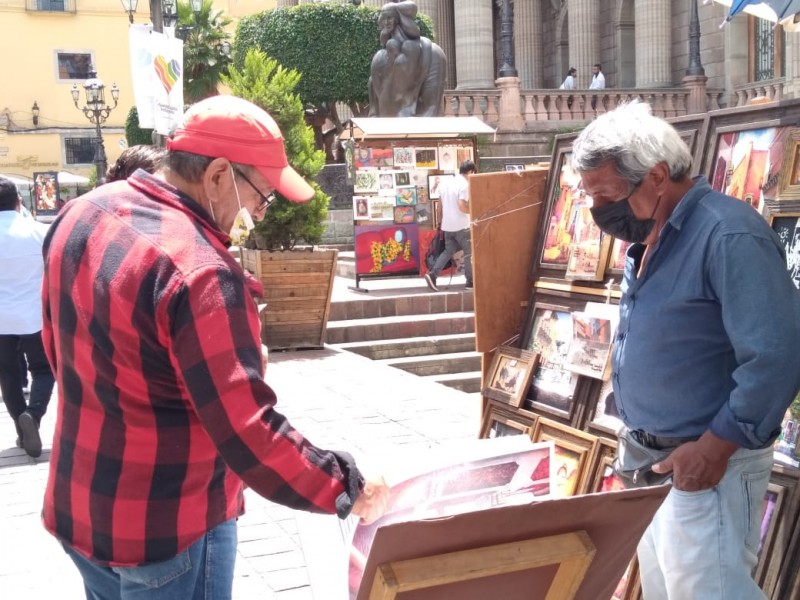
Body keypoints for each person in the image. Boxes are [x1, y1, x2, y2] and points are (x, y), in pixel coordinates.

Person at [41, 95, 390, 599]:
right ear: (219, 175)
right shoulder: (201, 272)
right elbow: (249, 432)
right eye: (261, 196)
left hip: (81, 505)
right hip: (166, 529)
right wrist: (345, 485)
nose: (259, 214)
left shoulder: (80, 213)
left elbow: (59, 351)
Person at [572, 101, 800, 600]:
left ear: (656, 176)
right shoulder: (652, 234)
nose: (600, 213)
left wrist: (712, 449)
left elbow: (777, 357)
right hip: (652, 463)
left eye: (608, 196)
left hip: (707, 464)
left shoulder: (726, 234)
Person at [0, 177, 55, 458]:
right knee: (44, 371)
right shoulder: (39, 231)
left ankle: (22, 431)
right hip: (35, 316)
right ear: (18, 201)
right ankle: (33, 416)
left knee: (8, 375)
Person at [424, 160, 475, 291]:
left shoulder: (446, 183)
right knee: (469, 253)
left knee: (448, 251)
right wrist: (474, 210)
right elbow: (462, 206)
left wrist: (440, 222)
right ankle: (470, 282)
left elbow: (439, 207)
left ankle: (433, 275)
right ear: (470, 172)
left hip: (447, 226)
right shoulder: (464, 184)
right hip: (462, 225)